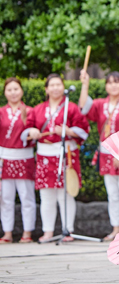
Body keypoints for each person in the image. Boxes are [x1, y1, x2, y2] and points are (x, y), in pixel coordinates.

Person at [24, 74, 89, 242]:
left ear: (63, 87)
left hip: (66, 153)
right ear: (46, 89)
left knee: (66, 193)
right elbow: (27, 129)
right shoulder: (37, 109)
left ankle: (68, 230)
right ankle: (48, 231)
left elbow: (83, 130)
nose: (55, 88)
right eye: (51, 85)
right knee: (46, 194)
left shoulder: (71, 107)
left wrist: (68, 131)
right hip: (45, 154)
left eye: (58, 84)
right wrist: (32, 132)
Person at [79, 70, 119, 241]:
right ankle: (115, 229)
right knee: (112, 194)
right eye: (110, 82)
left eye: (117, 82)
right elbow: (84, 107)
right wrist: (85, 84)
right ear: (106, 86)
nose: (113, 85)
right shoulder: (100, 104)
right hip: (106, 154)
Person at [0, 78, 36, 244]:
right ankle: (7, 233)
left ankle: (27, 232)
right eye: (9, 90)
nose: (13, 92)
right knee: (5, 198)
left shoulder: (30, 111)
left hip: (24, 157)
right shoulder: (1, 112)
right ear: (5, 92)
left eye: (16, 89)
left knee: (26, 196)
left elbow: (33, 134)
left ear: (21, 91)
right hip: (5, 158)